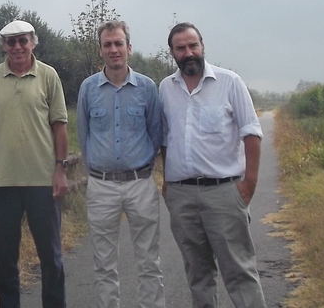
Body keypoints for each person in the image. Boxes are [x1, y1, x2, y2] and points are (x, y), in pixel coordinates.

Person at [158, 23, 266, 308]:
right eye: (181, 48)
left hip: (224, 193)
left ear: (203, 46)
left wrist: (248, 185)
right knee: (197, 273)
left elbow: (251, 133)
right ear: (172, 53)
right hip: (182, 197)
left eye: (193, 45)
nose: (188, 52)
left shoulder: (230, 82)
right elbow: (166, 138)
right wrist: (168, 182)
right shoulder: (166, 89)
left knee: (239, 272)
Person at [0, 20, 69, 308]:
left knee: (51, 257)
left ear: (33, 42)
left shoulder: (48, 76)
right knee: (5, 259)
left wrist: (60, 169)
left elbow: (60, 125)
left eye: (22, 41)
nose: (17, 47)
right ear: (3, 45)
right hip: (3, 182)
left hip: (43, 181)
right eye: (11, 41)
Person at [77, 20, 166, 308]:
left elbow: (155, 133)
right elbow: (84, 133)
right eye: (107, 44)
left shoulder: (147, 88)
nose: (114, 49)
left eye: (119, 43)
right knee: (103, 263)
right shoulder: (88, 89)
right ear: (100, 50)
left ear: (129, 47)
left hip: (140, 184)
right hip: (101, 186)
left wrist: (142, 167)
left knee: (149, 260)